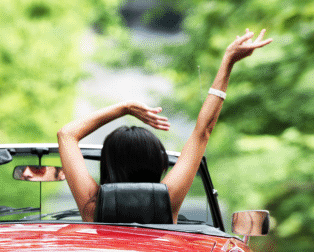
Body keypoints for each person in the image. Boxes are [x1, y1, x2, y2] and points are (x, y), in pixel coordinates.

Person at [57, 29, 272, 223]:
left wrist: (125, 108)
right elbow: (203, 132)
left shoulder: (92, 206)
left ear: (107, 164)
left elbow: (66, 134)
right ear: (160, 165)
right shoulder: (167, 200)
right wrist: (228, 62)